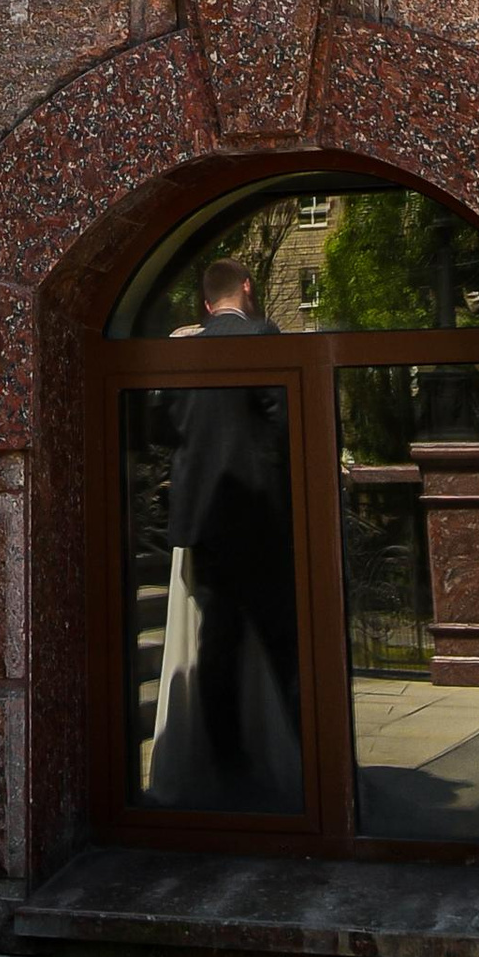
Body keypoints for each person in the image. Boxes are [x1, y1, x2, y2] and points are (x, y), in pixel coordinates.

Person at [147, 262, 303, 813]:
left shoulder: (183, 348)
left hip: (203, 519)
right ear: (248, 291)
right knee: (284, 638)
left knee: (217, 645)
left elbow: (161, 427)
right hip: (258, 515)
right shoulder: (263, 336)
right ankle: (301, 762)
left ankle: (227, 765)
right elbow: (286, 421)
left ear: (205, 304)